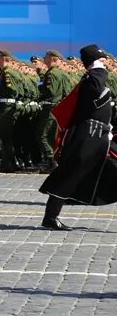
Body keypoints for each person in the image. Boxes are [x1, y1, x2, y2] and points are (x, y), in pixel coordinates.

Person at [39, 44, 116, 230]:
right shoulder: (93, 78)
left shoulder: (95, 77)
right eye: (102, 59)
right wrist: (97, 67)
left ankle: (52, 215)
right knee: (70, 174)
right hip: (88, 136)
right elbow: (97, 88)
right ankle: (50, 217)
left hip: (99, 135)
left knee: (109, 170)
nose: (106, 62)